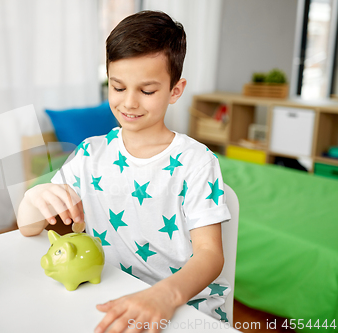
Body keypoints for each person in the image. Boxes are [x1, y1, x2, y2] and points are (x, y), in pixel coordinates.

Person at [17, 10, 231, 333]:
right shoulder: (90, 154)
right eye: (117, 87)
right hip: (113, 296)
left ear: (175, 90)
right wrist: (34, 197)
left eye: (146, 91)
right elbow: (27, 227)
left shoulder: (197, 163)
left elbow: (211, 255)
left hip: (184, 308)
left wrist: (163, 296)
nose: (129, 102)